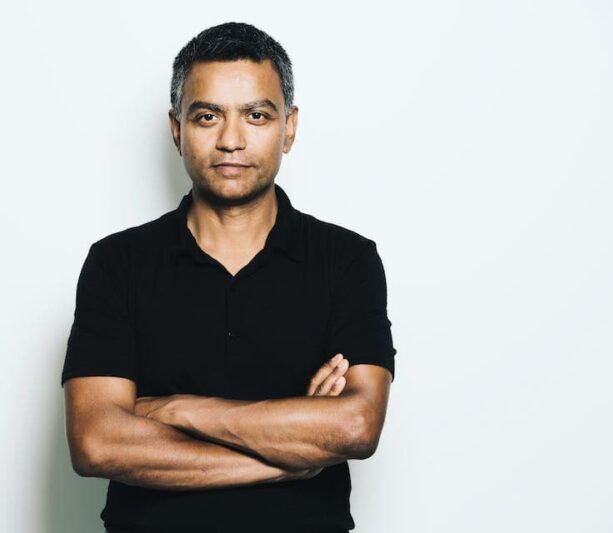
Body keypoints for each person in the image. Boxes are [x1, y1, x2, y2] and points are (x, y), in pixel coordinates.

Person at [61, 21, 397, 533]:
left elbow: (355, 425)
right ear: (177, 129)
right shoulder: (117, 263)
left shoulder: (348, 260)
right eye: (207, 116)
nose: (231, 140)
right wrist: (286, 458)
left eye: (257, 115)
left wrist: (177, 408)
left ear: (289, 128)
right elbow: (97, 441)